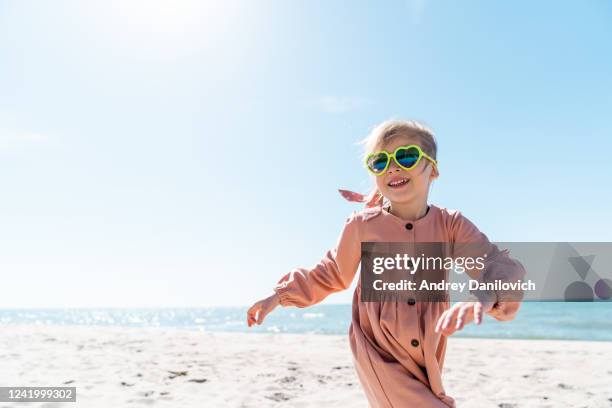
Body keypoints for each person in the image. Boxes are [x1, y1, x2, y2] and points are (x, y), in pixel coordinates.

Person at [247, 119, 525, 407]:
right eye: (380, 162)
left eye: (406, 156)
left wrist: (481, 298)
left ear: (433, 170)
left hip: (427, 355)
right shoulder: (361, 226)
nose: (393, 167)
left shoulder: (450, 225)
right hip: (378, 352)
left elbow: (498, 265)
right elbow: (331, 273)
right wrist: (278, 296)